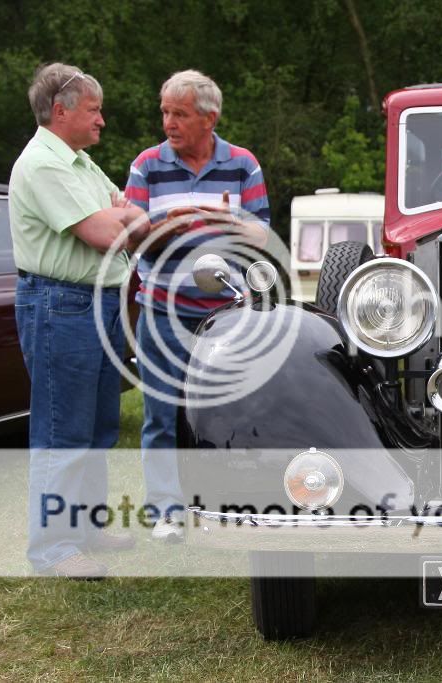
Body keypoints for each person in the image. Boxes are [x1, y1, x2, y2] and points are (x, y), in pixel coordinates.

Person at [9, 63, 149, 578]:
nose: (102, 120)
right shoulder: (44, 165)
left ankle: (85, 528)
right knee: (61, 430)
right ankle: (53, 549)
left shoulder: (81, 165)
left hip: (99, 303)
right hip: (61, 304)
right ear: (60, 110)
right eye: (93, 110)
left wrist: (123, 218)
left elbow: (132, 218)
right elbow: (102, 230)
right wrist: (120, 218)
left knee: (99, 426)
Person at [125, 69, 269, 541]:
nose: (168, 121)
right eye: (165, 111)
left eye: (179, 113)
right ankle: (166, 511)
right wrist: (172, 227)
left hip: (226, 314)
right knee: (161, 413)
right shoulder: (146, 165)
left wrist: (219, 221)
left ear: (210, 118)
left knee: (230, 411)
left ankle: (227, 504)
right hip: (162, 309)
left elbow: (260, 236)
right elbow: (132, 237)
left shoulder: (243, 164)